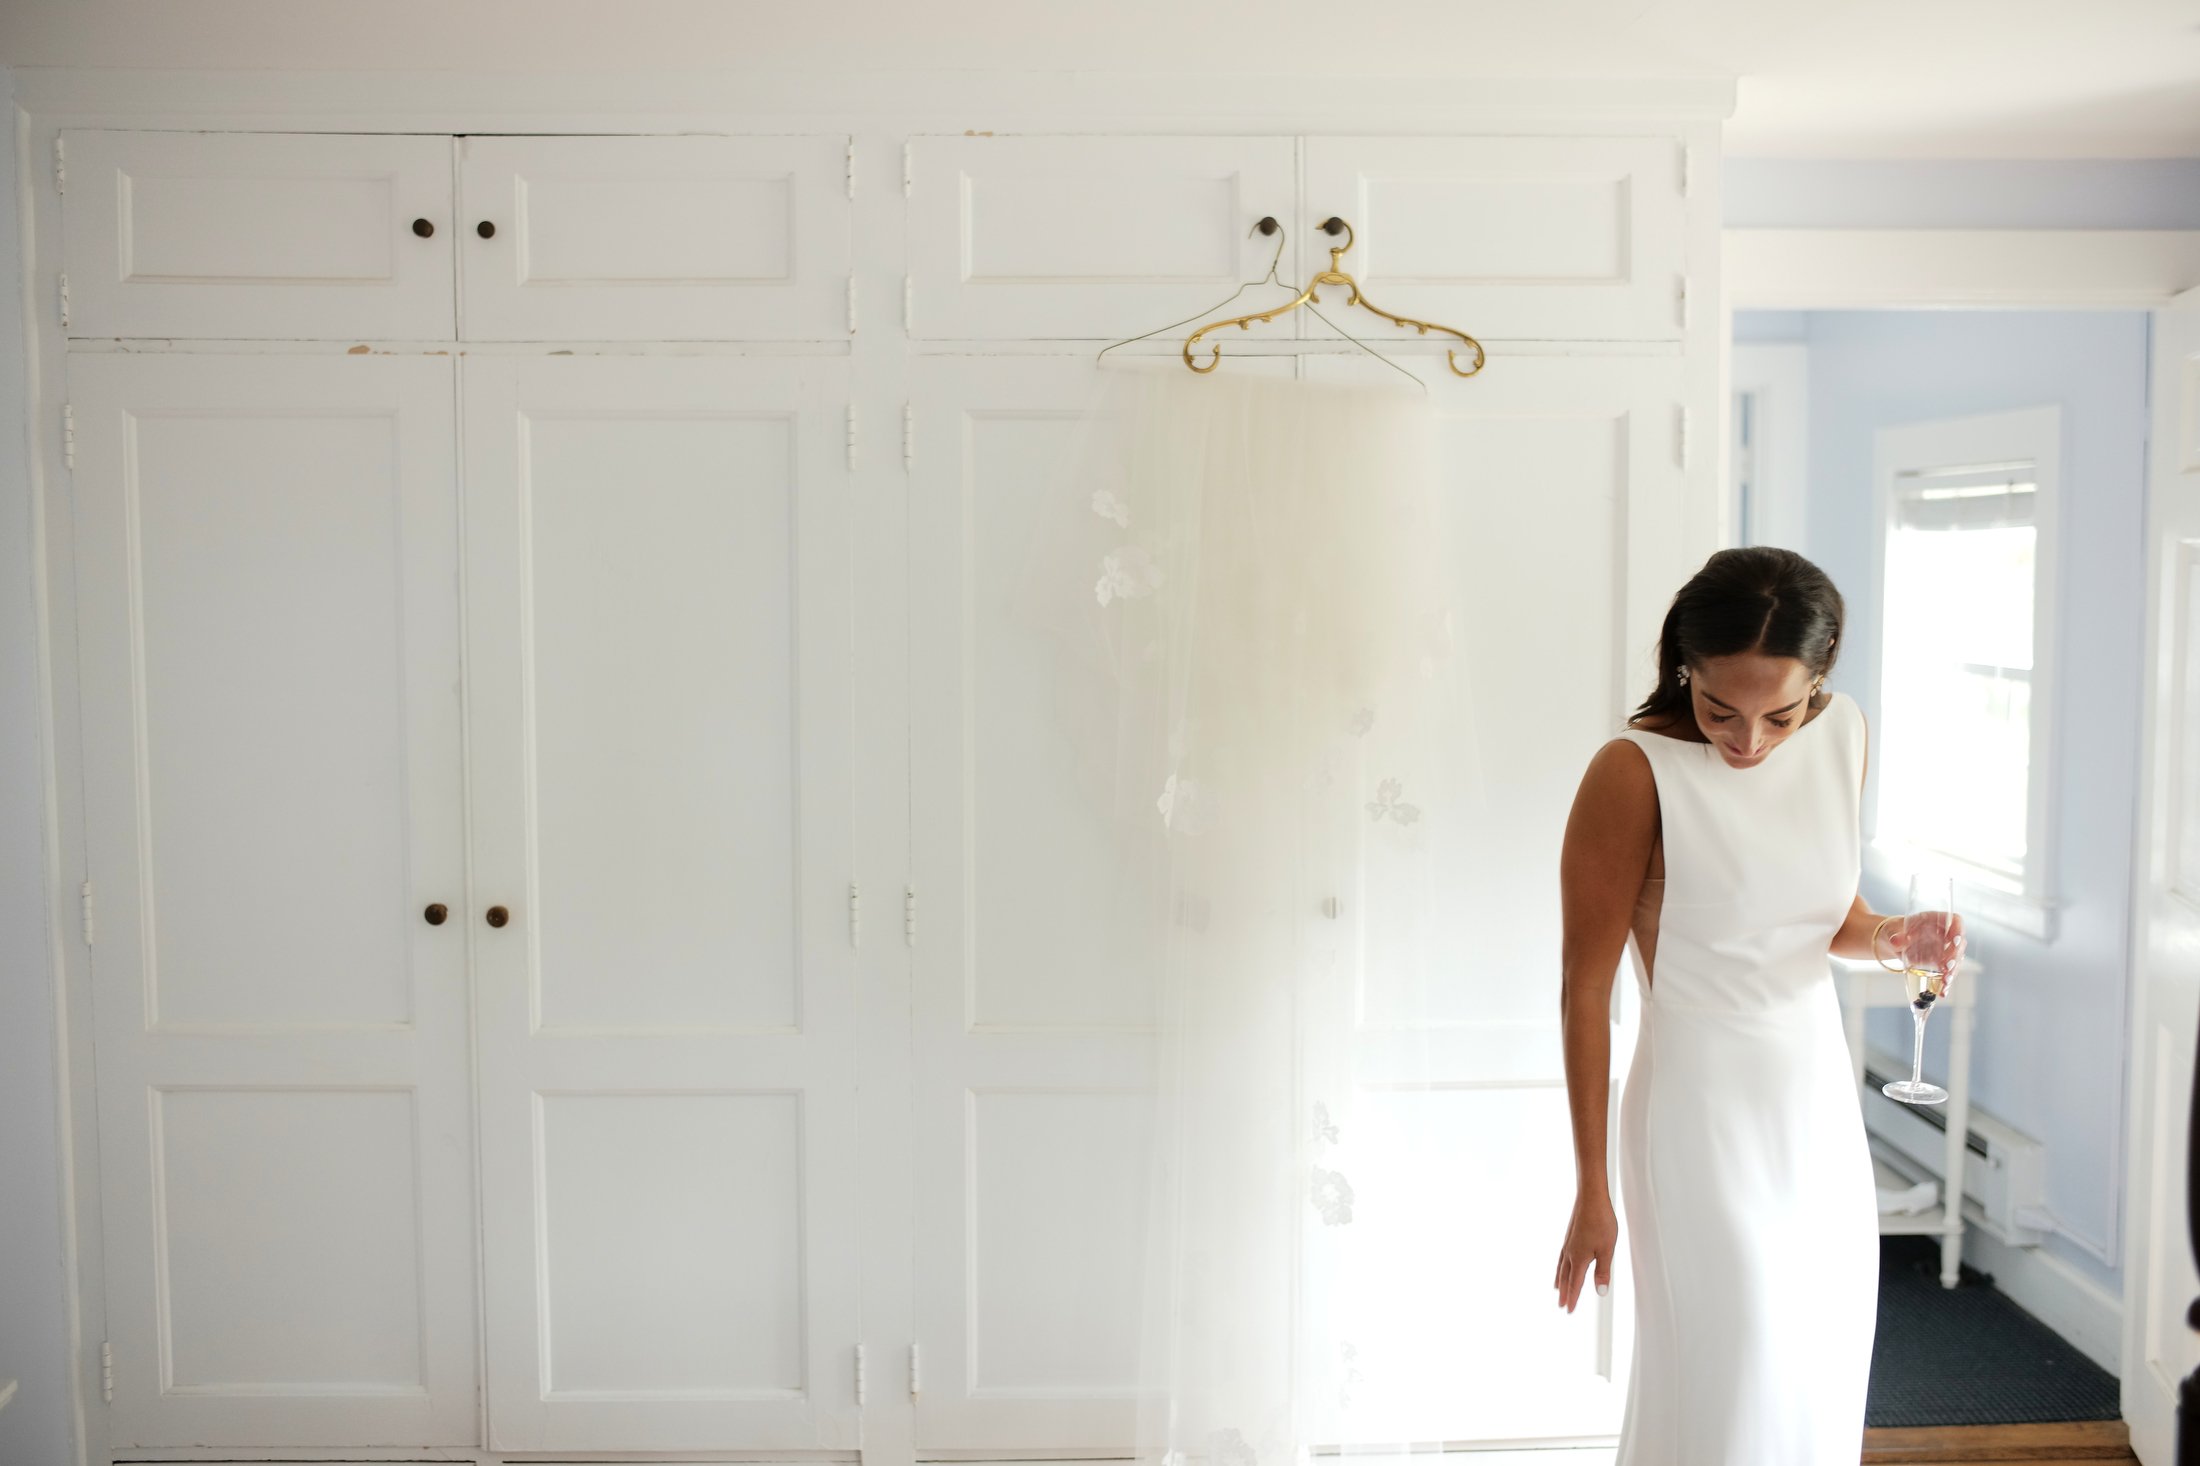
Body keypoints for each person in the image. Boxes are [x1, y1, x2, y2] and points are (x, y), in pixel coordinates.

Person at [1549, 546, 1965, 1464]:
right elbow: (1584, 989)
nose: (1749, 742)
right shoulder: (1632, 771)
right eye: (1719, 709)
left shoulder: (1844, 733)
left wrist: (1899, 937)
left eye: (1782, 712)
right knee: (1730, 1372)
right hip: (1696, 1113)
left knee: (1816, 1362)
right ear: (1685, 666)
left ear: (1821, 682)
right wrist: (1592, 1188)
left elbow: (1824, 919)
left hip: (1813, 1103)